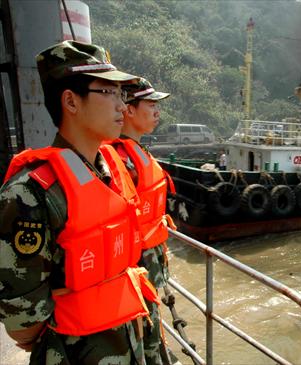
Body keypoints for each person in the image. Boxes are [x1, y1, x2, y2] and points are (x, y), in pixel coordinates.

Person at [0, 40, 160, 364]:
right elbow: (23, 320)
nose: (121, 106)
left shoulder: (113, 170)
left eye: (123, 94)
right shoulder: (30, 193)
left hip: (131, 338)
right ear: (71, 102)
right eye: (109, 93)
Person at [108, 77, 175, 365]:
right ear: (129, 111)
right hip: (137, 268)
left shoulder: (135, 153)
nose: (157, 111)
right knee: (143, 334)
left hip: (148, 266)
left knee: (150, 329)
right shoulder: (120, 161)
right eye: (151, 104)